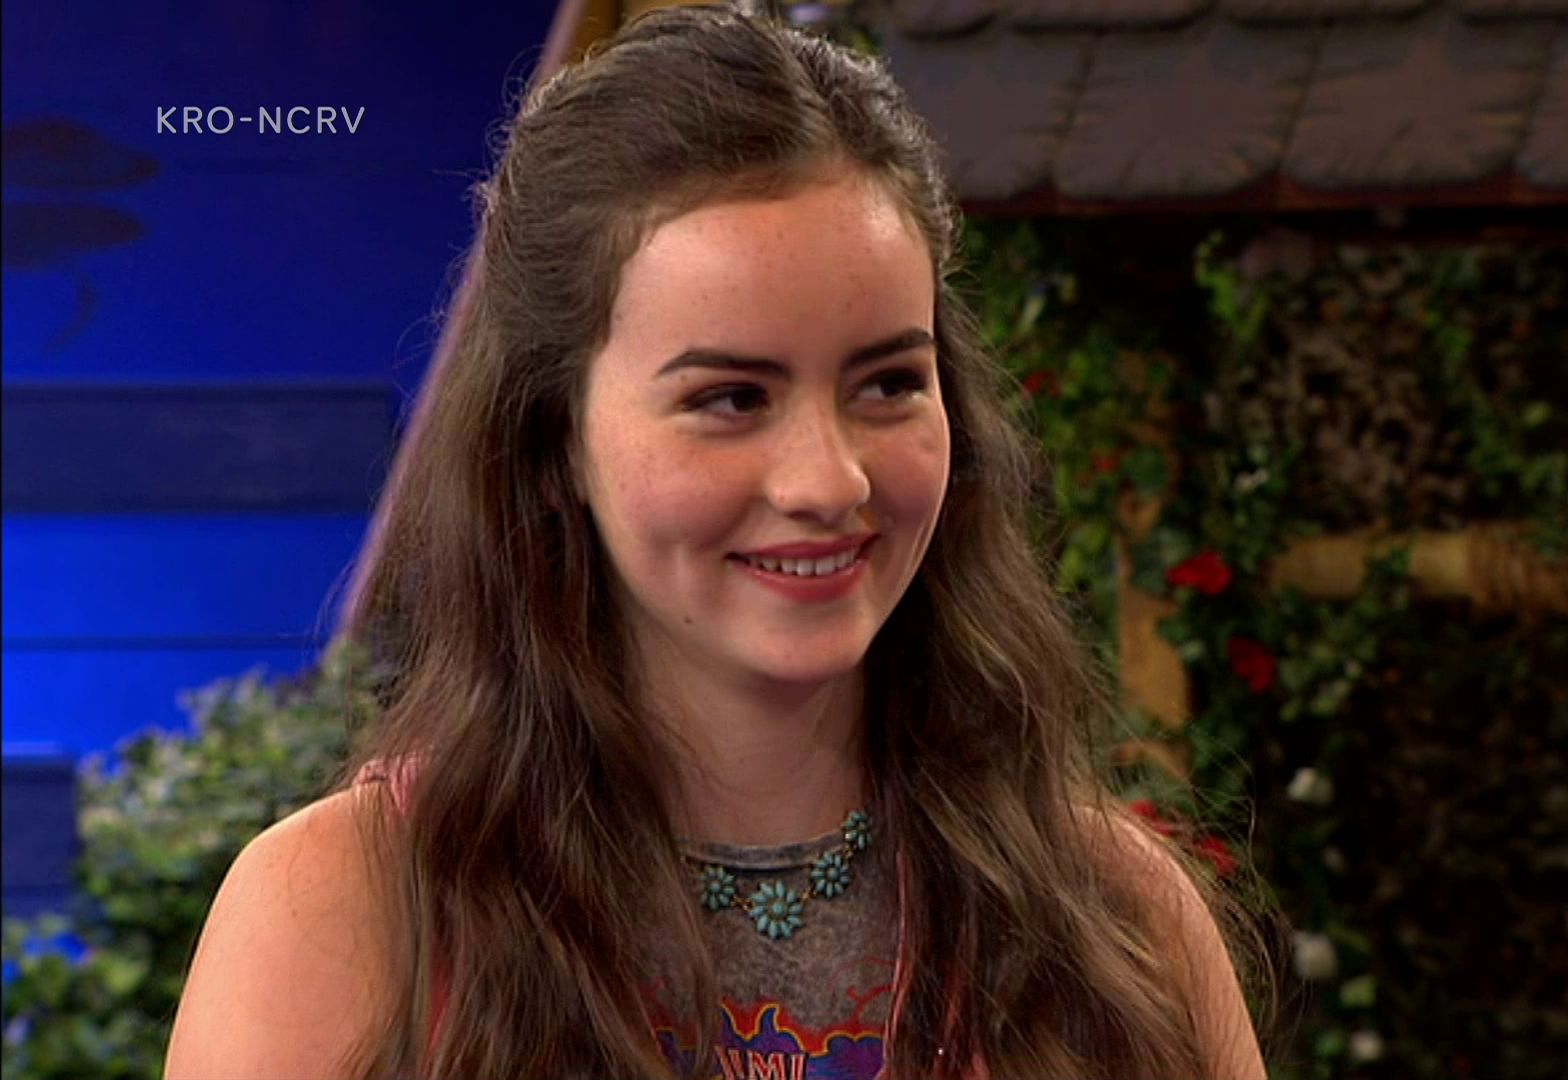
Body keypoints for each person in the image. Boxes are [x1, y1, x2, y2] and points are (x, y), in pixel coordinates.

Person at [162, 6, 1271, 1079]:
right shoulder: (339, 917)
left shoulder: (1125, 927)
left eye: (889, 382)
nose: (829, 482)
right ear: (554, 441)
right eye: (731, 399)